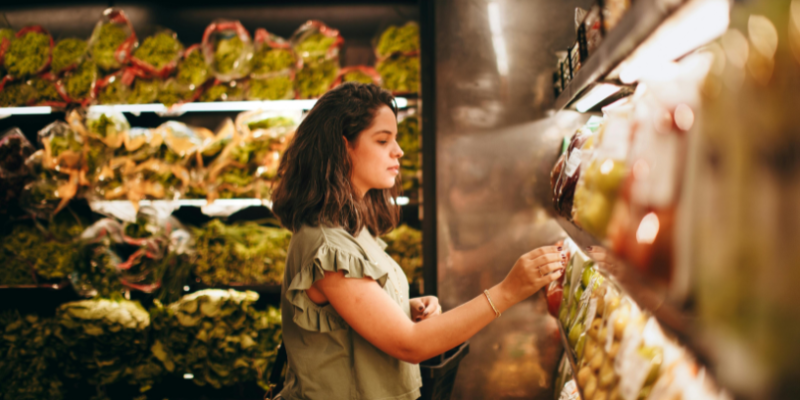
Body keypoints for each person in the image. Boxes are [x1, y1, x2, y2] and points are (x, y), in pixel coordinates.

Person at [271, 82, 565, 400]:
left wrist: (401, 307)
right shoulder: (327, 246)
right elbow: (410, 344)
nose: (398, 151)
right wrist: (508, 291)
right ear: (344, 147)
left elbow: (347, 319)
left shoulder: (351, 229)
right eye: (383, 140)